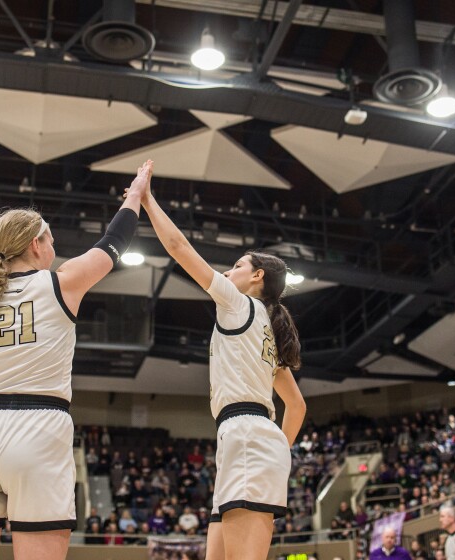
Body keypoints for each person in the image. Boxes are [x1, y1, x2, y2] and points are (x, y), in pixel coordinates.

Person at [0, 161, 151, 560]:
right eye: (51, 241)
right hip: (38, 428)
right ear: (36, 245)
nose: (54, 251)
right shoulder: (61, 282)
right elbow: (114, 242)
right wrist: (136, 195)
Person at [131, 160, 307, 560]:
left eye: (239, 265)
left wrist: (147, 199)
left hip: (246, 435)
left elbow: (178, 248)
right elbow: (296, 406)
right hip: (247, 438)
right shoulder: (268, 328)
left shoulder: (239, 304)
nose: (229, 271)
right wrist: (281, 447)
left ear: (257, 276)